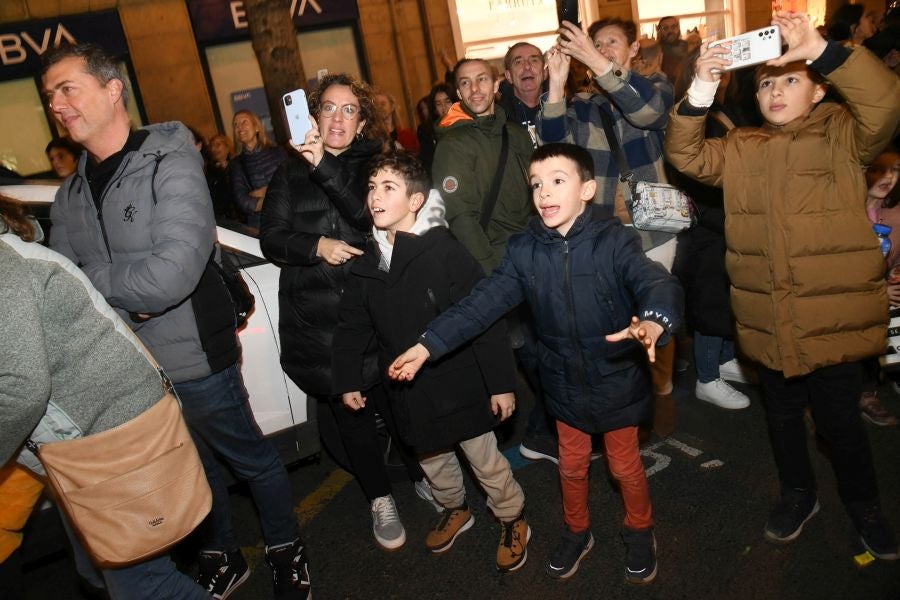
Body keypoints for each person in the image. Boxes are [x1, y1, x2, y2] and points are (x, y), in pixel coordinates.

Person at [42, 43, 311, 600]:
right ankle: (222, 555)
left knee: (249, 458)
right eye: (49, 96)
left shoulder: (168, 159)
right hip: (131, 370)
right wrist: (119, 288)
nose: (56, 104)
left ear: (113, 89)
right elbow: (65, 292)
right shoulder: (68, 194)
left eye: (68, 89)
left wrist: (102, 283)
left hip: (194, 351)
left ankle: (287, 549)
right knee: (191, 466)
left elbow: (171, 275)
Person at [390, 143, 683, 583]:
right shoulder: (524, 250)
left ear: (586, 189)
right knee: (570, 465)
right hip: (563, 382)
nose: (544, 193)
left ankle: (640, 530)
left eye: (558, 181)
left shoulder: (614, 240)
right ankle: (577, 531)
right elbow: (481, 304)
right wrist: (429, 343)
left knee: (624, 467)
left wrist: (655, 321)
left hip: (615, 378)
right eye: (536, 184)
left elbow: (654, 281)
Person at [665, 12, 900, 560]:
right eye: (767, 81)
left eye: (790, 78)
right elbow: (685, 153)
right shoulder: (741, 146)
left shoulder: (844, 134)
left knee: (842, 424)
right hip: (768, 319)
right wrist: (703, 82)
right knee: (783, 419)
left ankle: (866, 507)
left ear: (819, 89)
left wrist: (819, 46)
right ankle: (798, 493)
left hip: (830, 321)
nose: (775, 89)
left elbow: (885, 104)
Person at [0, 194, 209, 600]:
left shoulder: (5, 268)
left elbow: (20, 385)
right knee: (100, 572)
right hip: (84, 447)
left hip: (110, 442)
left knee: (146, 587)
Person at [260, 73, 435, 553]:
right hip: (320, 319)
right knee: (352, 412)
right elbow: (271, 238)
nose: (337, 118)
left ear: (361, 123)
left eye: (349, 110)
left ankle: (420, 473)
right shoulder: (286, 173)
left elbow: (364, 217)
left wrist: (321, 166)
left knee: (398, 403)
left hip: (376, 309)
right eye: (329, 108)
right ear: (313, 116)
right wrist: (315, 244)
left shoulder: (373, 165)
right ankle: (380, 498)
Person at [332, 150, 530, 571]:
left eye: (389, 188)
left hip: (459, 383)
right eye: (371, 188)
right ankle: (455, 508)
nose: (375, 197)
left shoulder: (445, 252)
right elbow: (352, 328)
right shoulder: (367, 265)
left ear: (416, 200)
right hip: (409, 390)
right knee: (433, 459)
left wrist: (500, 383)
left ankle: (512, 517)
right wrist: (348, 378)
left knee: (485, 460)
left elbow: (484, 318)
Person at [539, 18, 679, 438]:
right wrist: (559, 85)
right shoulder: (582, 104)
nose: (600, 49)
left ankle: (661, 388)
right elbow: (552, 149)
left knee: (656, 308)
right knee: (614, 317)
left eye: (610, 43)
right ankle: (624, 401)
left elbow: (649, 113)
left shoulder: (654, 87)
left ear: (633, 49)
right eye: (594, 44)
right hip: (603, 232)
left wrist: (599, 63)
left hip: (654, 228)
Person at [431, 58, 555, 463]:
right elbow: (460, 215)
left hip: (531, 258)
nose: (475, 89)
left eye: (481, 79)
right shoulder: (453, 143)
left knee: (544, 351)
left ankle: (547, 429)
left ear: (496, 83)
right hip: (496, 269)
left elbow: (536, 195)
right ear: (459, 93)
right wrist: (493, 273)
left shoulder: (517, 133)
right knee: (526, 354)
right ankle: (544, 431)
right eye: (465, 84)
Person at [669, 48, 758, 411]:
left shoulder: (725, 110)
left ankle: (721, 360)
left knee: (725, 301)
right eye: (713, 67)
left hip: (727, 224)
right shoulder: (692, 115)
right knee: (710, 306)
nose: (723, 73)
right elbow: (692, 181)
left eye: (726, 67)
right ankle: (707, 377)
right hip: (708, 227)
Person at [861, 148, 900, 427]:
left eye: (896, 170)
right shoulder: (844, 213)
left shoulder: (896, 213)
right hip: (849, 297)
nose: (889, 177)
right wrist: (878, 292)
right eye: (881, 169)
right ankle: (865, 393)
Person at [231, 109, 287, 230]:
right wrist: (276, 193)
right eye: (235, 124)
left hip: (287, 219)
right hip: (260, 225)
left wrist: (259, 193)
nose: (239, 127)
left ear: (256, 127)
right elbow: (242, 202)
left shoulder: (279, 152)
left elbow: (291, 186)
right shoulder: (236, 164)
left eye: (244, 122)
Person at [498, 42, 546, 145]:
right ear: (509, 76)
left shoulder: (565, 108)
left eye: (534, 60)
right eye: (518, 62)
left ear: (544, 73)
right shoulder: (498, 119)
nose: (527, 67)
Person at [417, 82, 456, 173]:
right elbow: (428, 161)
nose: (444, 107)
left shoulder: (468, 124)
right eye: (438, 104)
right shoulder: (428, 131)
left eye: (447, 101)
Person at [207, 133, 238, 222]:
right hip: (224, 219)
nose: (213, 149)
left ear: (227, 148)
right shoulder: (210, 172)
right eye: (212, 146)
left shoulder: (237, 166)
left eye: (218, 145)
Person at [656, 16, 688, 83]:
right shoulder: (655, 50)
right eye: (665, 28)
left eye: (673, 27)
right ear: (659, 31)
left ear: (678, 28)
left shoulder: (688, 46)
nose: (670, 31)